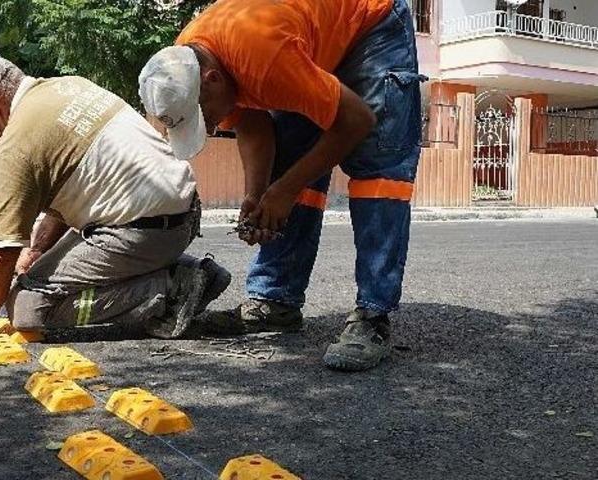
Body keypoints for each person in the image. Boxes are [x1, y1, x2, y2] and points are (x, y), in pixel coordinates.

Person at [140, 0, 423, 371]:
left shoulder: (263, 59)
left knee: (378, 171)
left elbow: (356, 120)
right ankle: (276, 302)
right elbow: (253, 127)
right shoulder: (189, 60)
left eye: (204, 116)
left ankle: (373, 316)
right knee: (291, 161)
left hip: (372, 24)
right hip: (305, 40)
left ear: (212, 80)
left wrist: (284, 191)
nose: (209, 128)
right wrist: (258, 195)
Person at [0, 43, 230, 340]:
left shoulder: (18, 142)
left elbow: (0, 252)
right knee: (41, 274)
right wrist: (37, 253)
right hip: (183, 214)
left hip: (139, 232)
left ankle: (171, 288)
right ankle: (198, 273)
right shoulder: (68, 86)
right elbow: (68, 195)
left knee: (28, 308)